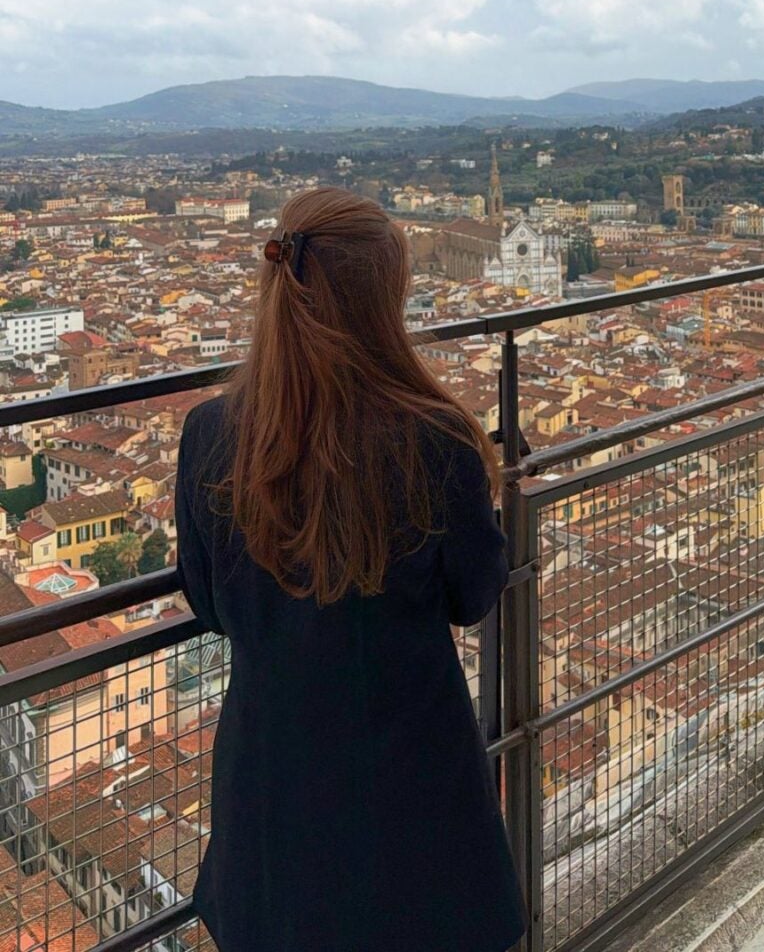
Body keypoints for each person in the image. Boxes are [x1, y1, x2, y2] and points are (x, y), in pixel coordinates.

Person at [174, 186, 528, 951]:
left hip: (273, 782)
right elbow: (473, 594)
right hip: (411, 781)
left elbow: (207, 603)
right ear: (384, 300)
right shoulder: (435, 439)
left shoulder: (208, 436)